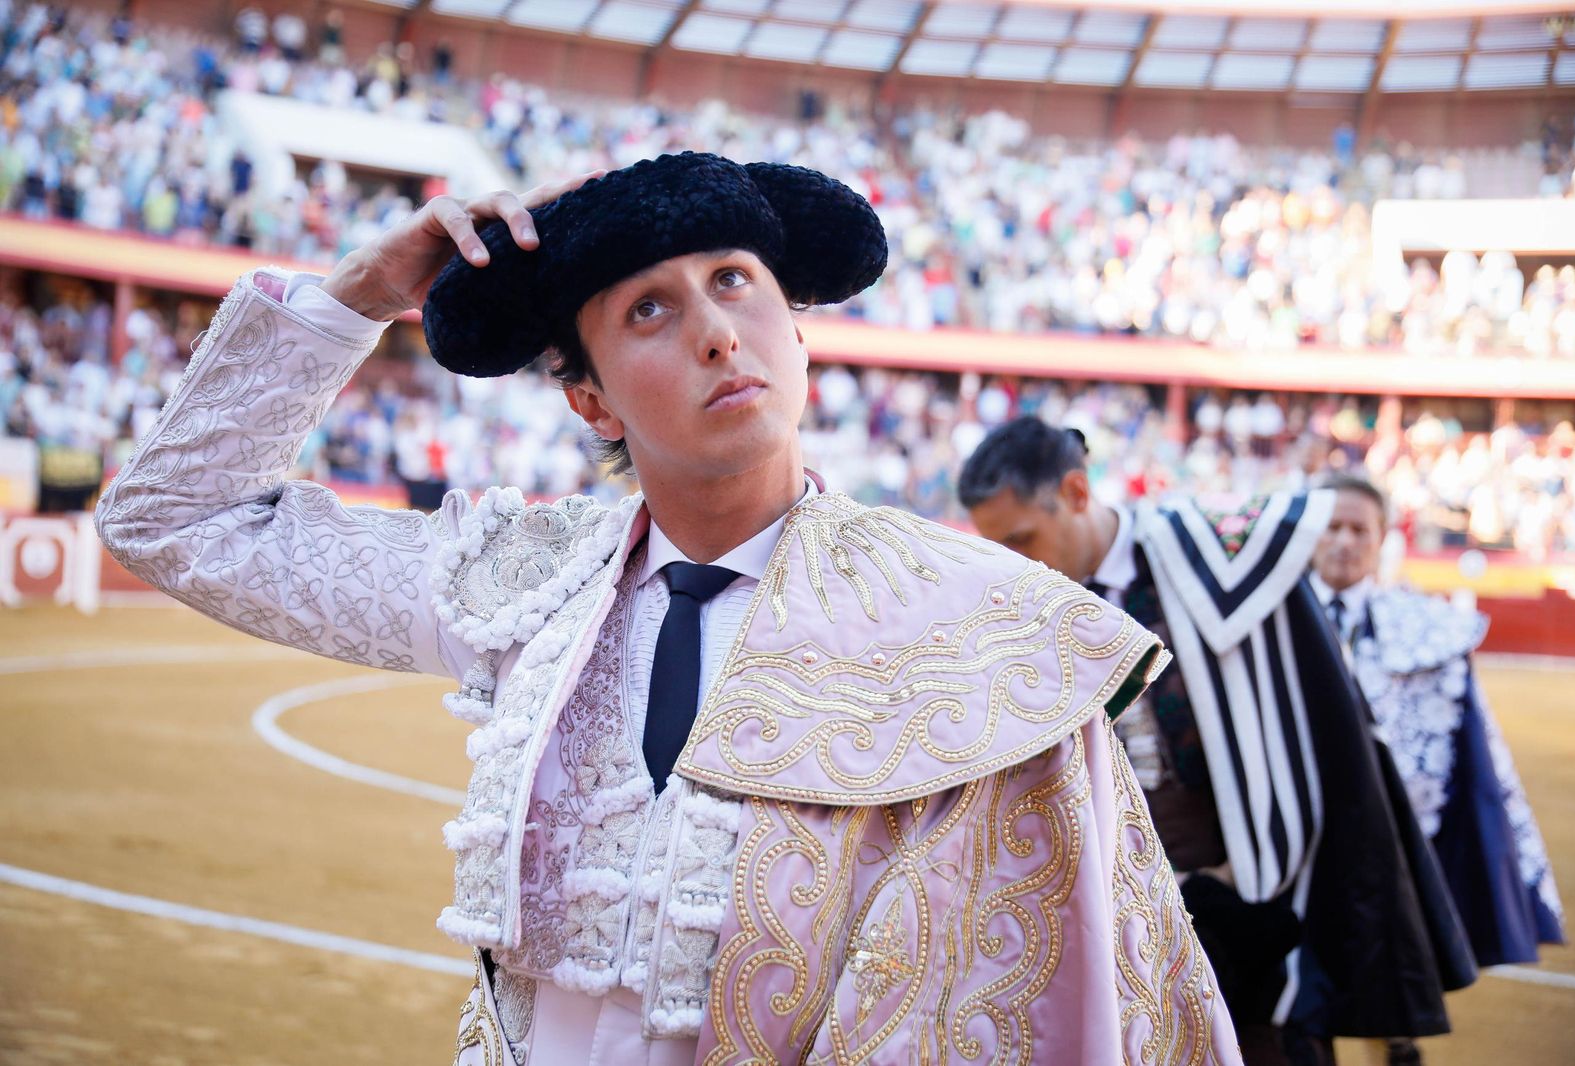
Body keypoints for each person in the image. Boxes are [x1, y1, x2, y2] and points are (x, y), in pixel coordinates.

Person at [96, 153, 1240, 1064]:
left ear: (797, 328)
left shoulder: (978, 625)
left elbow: (1046, 1004)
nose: (713, 329)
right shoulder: (521, 583)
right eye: (649, 308)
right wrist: (355, 298)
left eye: (735, 281)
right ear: (590, 399)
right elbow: (170, 519)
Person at [958, 417, 1475, 1066]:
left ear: (1076, 493)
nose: (1018, 561)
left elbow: (1316, 725)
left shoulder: (1209, 555)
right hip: (1126, 891)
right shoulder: (1038, 603)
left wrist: (1254, 866)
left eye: (1024, 538)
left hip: (1251, 890)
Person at [1311, 475, 1564, 966]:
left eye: (1359, 530)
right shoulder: (1267, 622)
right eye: (1332, 527)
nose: (1344, 542)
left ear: (1381, 538)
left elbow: (1475, 764)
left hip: (1391, 830)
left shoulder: (1424, 629)